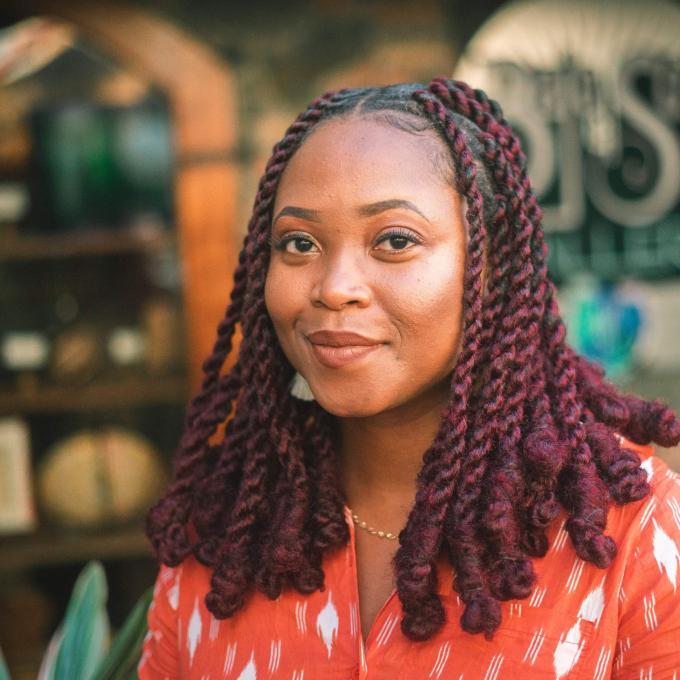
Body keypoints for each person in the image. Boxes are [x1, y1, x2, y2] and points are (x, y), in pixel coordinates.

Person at [137, 77, 680, 679]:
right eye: (298, 243)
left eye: (395, 240)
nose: (334, 286)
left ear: (492, 269)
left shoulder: (630, 539)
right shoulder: (219, 536)